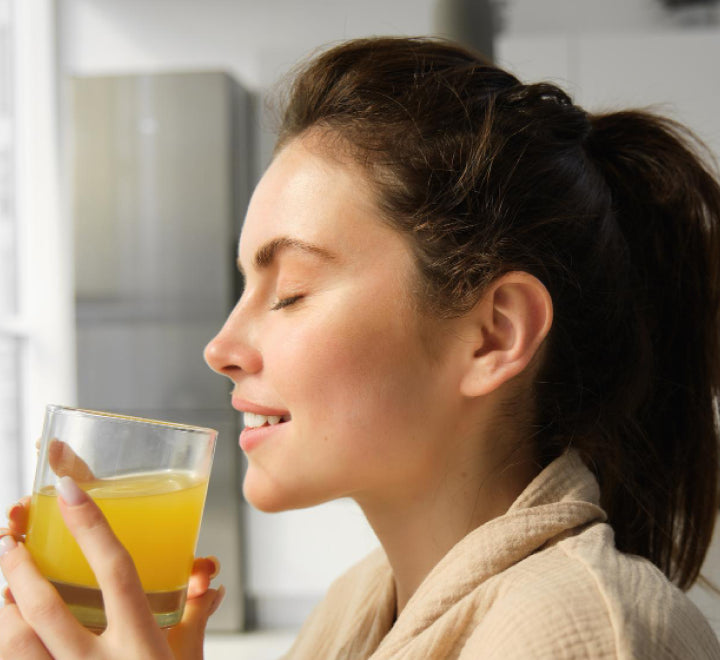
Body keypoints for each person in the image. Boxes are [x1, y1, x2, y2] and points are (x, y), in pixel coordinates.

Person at [1, 35, 720, 659]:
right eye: (246, 286)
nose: (220, 347)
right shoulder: (362, 602)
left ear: (493, 334)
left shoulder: (579, 634)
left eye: (290, 292)